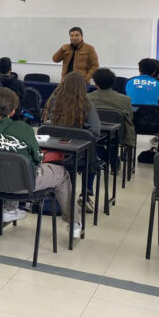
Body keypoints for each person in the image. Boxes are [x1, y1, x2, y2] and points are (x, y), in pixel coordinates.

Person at [0, 88, 81, 237]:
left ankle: (10, 209)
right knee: (63, 174)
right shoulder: (22, 129)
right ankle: (74, 224)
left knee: (7, 166)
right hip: (21, 185)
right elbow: (37, 159)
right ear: (13, 111)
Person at [43, 72, 101, 212]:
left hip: (54, 154)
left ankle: (54, 194)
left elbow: (45, 124)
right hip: (80, 157)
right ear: (83, 87)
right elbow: (95, 132)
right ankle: (86, 194)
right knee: (94, 157)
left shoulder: (53, 100)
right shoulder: (87, 104)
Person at [88, 68, 136, 149]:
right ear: (113, 83)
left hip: (93, 133)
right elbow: (129, 118)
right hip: (118, 135)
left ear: (95, 83)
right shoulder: (125, 99)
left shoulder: (86, 98)